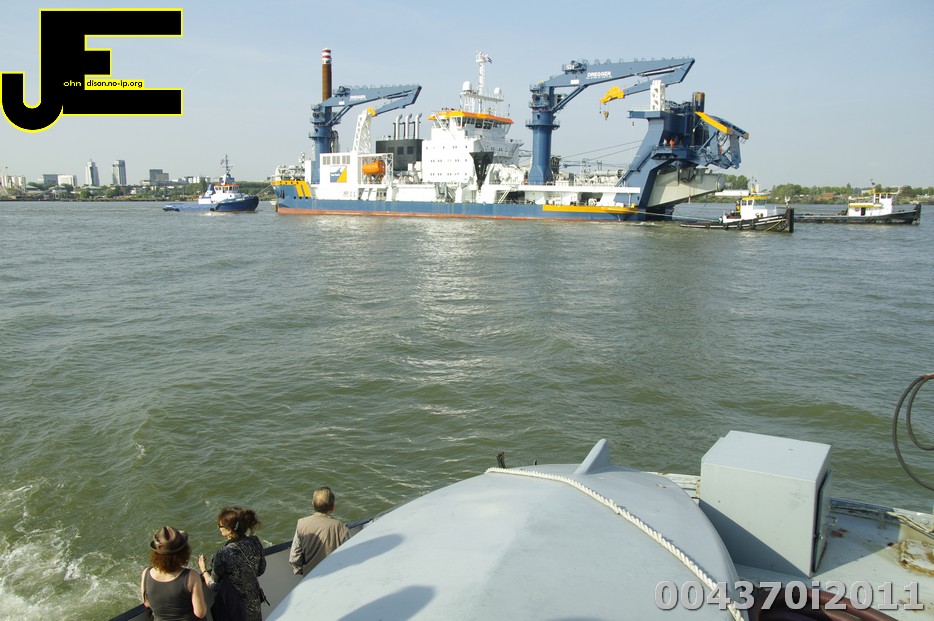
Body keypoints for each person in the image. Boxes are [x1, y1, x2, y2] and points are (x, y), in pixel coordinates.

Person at [198, 507, 266, 621]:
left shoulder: (223, 553)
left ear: (229, 530)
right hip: (254, 605)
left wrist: (203, 569)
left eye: (220, 526)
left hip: (236, 609)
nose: (218, 528)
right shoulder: (255, 541)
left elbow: (213, 585)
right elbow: (261, 570)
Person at [141, 525, 207, 620]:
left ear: (156, 553)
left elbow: (147, 603)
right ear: (183, 552)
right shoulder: (191, 576)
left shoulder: (146, 573)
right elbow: (200, 613)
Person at [288, 486, 349, 575]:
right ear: (332, 507)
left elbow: (294, 557)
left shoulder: (302, 524)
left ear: (313, 504)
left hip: (310, 576)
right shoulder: (340, 527)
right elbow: (348, 555)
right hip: (334, 575)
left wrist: (303, 571)